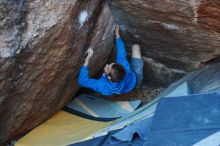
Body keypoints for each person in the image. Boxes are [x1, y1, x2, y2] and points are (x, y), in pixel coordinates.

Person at [78, 25, 144, 96]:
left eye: (108, 67)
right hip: (135, 80)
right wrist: (117, 34)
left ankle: (134, 88)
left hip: (125, 88)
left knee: (135, 48)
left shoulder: (102, 86)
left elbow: (82, 81)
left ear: (109, 77)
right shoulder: (124, 67)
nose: (106, 65)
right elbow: (121, 52)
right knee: (136, 47)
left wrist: (87, 59)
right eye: (110, 65)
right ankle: (136, 87)